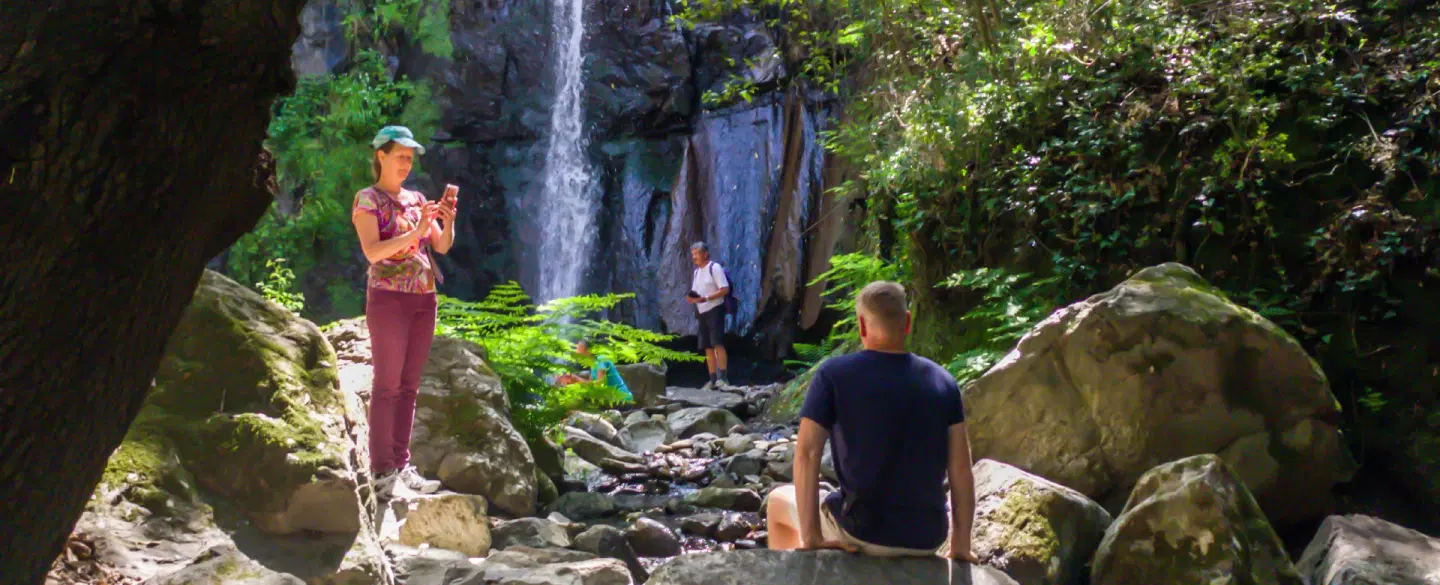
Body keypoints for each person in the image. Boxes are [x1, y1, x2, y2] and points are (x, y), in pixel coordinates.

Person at [764, 281, 981, 562]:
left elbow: (806, 453)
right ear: (907, 322)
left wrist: (813, 537)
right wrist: (960, 546)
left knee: (778, 501)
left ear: (862, 326)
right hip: (928, 537)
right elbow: (961, 469)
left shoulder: (833, 375)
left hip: (861, 533)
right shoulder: (943, 381)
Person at [350, 125, 460, 499]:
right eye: (400, 156)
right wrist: (416, 231)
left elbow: (441, 246)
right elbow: (373, 252)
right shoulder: (368, 200)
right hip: (388, 299)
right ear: (380, 155)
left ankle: (401, 465)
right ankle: (382, 473)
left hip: (423, 300)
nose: (406, 164)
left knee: (410, 387)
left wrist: (446, 220)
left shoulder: (416, 199)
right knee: (387, 385)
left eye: (410, 159)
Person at [687, 242, 731, 389]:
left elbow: (724, 289)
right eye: (693, 254)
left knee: (717, 342)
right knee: (707, 346)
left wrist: (706, 298)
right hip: (702, 312)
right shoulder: (696, 272)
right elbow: (696, 291)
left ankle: (723, 377)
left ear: (705, 254)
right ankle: (712, 379)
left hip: (715, 309)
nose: (694, 257)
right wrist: (692, 298)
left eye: (697, 254)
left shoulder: (714, 268)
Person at [556, 340, 634, 402]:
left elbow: (598, 387)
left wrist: (576, 382)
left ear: (589, 350)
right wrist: (575, 379)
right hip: (612, 399)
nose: (577, 352)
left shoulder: (601, 360)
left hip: (622, 400)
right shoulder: (593, 364)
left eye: (580, 348)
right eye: (577, 348)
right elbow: (591, 384)